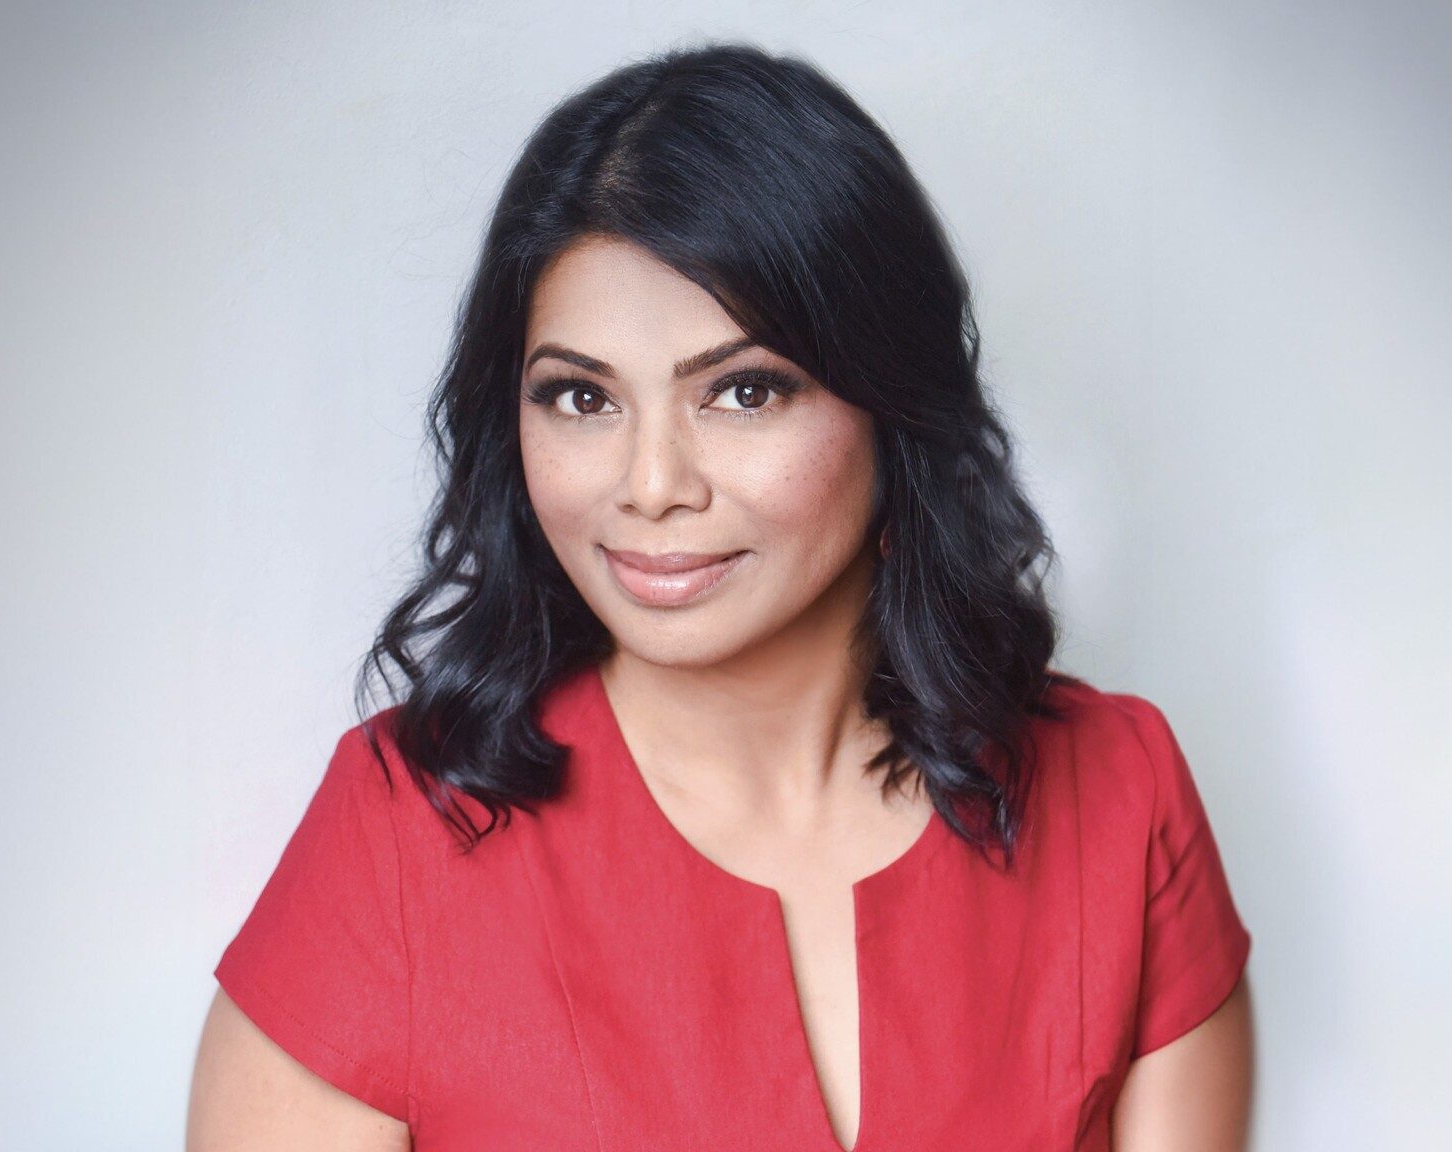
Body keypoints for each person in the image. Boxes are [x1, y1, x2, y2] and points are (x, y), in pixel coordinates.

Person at [187, 41, 1254, 1152]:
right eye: (580, 397)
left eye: (743, 392)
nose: (651, 485)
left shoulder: (1118, 794)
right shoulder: (403, 833)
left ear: (891, 404)